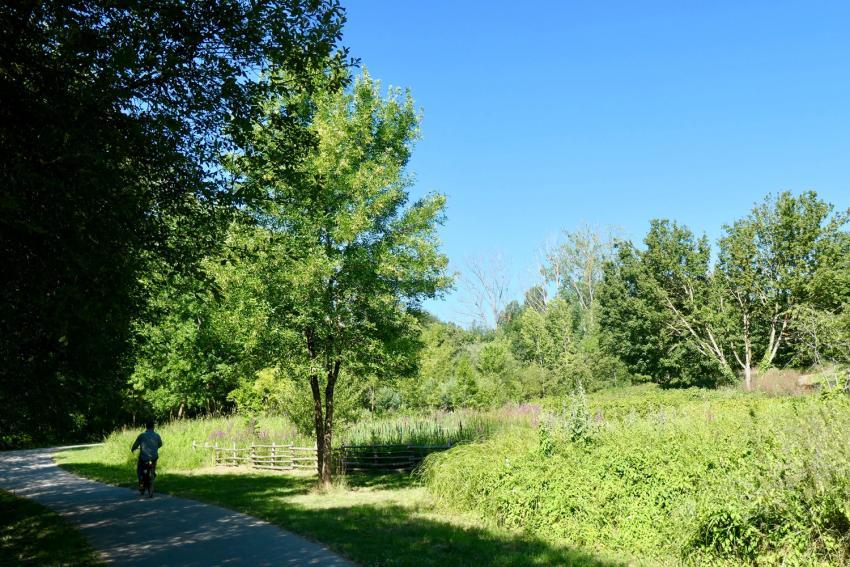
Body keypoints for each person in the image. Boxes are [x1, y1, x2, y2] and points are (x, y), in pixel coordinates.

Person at [131, 419, 162, 494]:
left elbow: (135, 445)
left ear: (146, 427)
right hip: (154, 457)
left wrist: (133, 449)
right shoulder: (157, 435)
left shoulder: (142, 435)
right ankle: (153, 473)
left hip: (144, 458)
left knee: (140, 471)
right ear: (153, 427)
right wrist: (155, 447)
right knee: (153, 467)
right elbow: (160, 444)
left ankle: (141, 484)